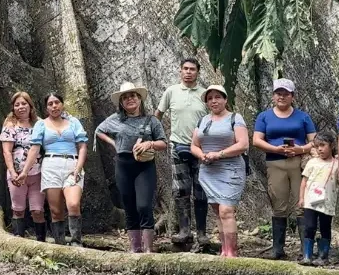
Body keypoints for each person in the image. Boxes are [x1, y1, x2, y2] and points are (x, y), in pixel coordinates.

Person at [95, 82, 167, 253]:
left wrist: (149, 144)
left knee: (144, 205)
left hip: (144, 166)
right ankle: (135, 249)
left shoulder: (151, 120)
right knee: (129, 206)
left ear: (139, 99)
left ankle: (148, 249)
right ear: (121, 102)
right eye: (125, 97)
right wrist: (114, 143)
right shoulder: (115, 119)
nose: (130, 99)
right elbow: (99, 130)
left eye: (133, 96)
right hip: (123, 165)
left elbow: (163, 143)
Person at [253, 78, 316, 260]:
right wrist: (276, 149)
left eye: (286, 94)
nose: (282, 97)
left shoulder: (303, 117)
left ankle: (306, 251)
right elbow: (256, 140)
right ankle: (278, 249)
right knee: (278, 205)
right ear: (273, 96)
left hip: (299, 163)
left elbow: (315, 141)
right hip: (275, 163)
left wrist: (300, 149)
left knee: (301, 204)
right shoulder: (264, 116)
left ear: (292, 96)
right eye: (278, 93)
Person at [18, 93, 88, 245]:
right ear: (46, 108)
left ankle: (76, 242)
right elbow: (34, 149)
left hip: (72, 164)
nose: (54, 106)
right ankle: (60, 244)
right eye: (50, 104)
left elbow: (82, 147)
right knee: (56, 211)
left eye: (57, 102)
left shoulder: (73, 122)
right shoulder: (41, 124)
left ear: (62, 104)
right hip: (51, 165)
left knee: (73, 204)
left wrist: (78, 168)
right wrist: (24, 172)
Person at [189, 85, 249, 258]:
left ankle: (232, 253)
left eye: (217, 97)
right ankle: (224, 250)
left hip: (230, 169)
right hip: (209, 171)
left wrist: (219, 154)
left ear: (225, 99)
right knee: (217, 211)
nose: (213, 101)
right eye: (210, 98)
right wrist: (201, 155)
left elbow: (243, 144)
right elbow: (194, 145)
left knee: (226, 210)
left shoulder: (235, 118)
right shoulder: (202, 120)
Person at [155, 58, 208, 247]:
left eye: (192, 69)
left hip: (201, 150)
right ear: (180, 71)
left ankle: (202, 233)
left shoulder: (205, 94)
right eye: (185, 68)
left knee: (201, 191)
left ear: (198, 72)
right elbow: (158, 115)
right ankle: (185, 230)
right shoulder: (171, 91)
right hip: (178, 147)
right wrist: (157, 137)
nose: (188, 72)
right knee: (180, 190)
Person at [0, 92, 46, 241]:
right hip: (16, 175)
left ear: (30, 106)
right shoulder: (10, 125)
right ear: (13, 108)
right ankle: (19, 240)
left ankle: (41, 242)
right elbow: (6, 151)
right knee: (18, 209)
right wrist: (13, 172)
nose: (21, 107)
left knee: (37, 210)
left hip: (37, 173)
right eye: (17, 104)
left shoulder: (40, 124)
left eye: (24, 103)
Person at [299, 130, 338, 266]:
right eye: (317, 146)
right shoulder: (312, 162)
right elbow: (304, 181)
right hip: (311, 201)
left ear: (332, 145)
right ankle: (307, 256)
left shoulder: (337, 164)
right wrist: (301, 198)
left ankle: (323, 256)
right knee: (309, 226)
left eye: (323, 145)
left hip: (327, 202)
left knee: (325, 227)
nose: (320, 149)